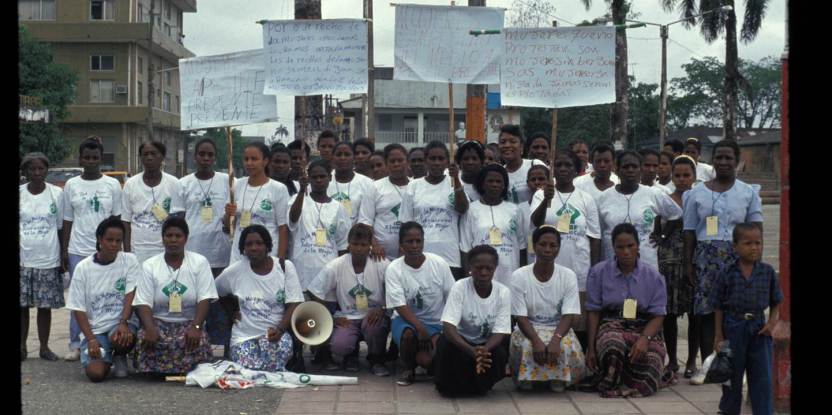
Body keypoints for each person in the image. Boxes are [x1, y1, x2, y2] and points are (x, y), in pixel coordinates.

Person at [682, 140, 763, 378]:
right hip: (705, 261)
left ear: (737, 162)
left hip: (737, 259)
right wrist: (688, 264)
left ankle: (734, 364)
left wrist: (754, 264)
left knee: (735, 313)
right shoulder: (695, 193)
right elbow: (688, 230)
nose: (724, 162)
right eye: (719, 157)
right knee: (707, 314)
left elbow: (756, 230)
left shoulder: (748, 193)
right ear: (712, 160)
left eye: (729, 158)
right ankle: (710, 366)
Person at [585, 223, 670, 398]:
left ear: (638, 245)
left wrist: (645, 339)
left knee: (652, 361)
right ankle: (611, 383)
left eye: (630, 246)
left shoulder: (653, 276)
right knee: (612, 345)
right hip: (612, 325)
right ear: (613, 248)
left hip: (644, 327)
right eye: (620, 247)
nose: (626, 252)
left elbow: (658, 315)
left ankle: (629, 384)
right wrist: (591, 348)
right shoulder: (599, 272)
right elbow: (593, 312)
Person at [60, 138, 124, 361]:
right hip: (78, 248)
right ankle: (76, 343)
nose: (90, 161)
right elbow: (67, 220)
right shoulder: (71, 185)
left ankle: (108, 338)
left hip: (107, 250)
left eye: (95, 157)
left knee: (107, 297)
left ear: (101, 158)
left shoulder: (112, 185)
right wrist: (64, 250)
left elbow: (117, 220)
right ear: (80, 159)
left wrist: (120, 249)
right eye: (86, 157)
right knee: (79, 299)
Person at [530, 149, 601, 348]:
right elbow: (536, 222)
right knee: (551, 317)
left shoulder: (586, 199)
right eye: (558, 165)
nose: (562, 169)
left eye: (568, 165)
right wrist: (546, 199)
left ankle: (579, 363)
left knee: (578, 320)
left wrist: (593, 270)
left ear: (576, 169)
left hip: (578, 268)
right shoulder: (540, 194)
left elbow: (595, 237)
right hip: (548, 269)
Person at [711, 224, 782, 415]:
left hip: (759, 329)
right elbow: (717, 306)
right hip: (732, 327)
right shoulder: (726, 272)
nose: (754, 247)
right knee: (731, 375)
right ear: (735, 246)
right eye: (748, 243)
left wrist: (771, 323)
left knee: (762, 377)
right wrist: (718, 336)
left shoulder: (767, 272)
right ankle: (729, 410)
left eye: (758, 243)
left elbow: (776, 301)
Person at [132, 217, 218, 375]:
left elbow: (205, 298)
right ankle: (173, 369)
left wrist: (196, 327)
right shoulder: (150, 265)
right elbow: (143, 302)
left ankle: (179, 368)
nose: (173, 240)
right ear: (162, 238)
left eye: (178, 236)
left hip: (189, 323)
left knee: (198, 341)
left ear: (186, 238)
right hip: (159, 323)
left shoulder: (200, 262)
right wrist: (150, 328)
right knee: (146, 338)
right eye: (169, 236)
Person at [215, 225, 304, 372]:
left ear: (267, 245)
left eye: (259, 243)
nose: (254, 248)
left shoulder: (284, 267)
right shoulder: (235, 270)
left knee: (274, 358)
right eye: (248, 244)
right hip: (243, 337)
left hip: (275, 335)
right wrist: (231, 311)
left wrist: (280, 329)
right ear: (243, 249)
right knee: (248, 366)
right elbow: (217, 290)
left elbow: (295, 302)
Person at [509, 226, 586, 391]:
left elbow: (569, 315)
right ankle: (527, 381)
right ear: (534, 246)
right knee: (528, 345)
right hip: (529, 327)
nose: (547, 249)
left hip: (559, 328)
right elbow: (520, 317)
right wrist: (536, 341)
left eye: (553, 246)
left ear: (558, 249)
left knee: (564, 345)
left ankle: (558, 380)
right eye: (542, 244)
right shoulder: (519, 276)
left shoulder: (568, 275)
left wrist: (556, 339)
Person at [308, 224, 390, 375]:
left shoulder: (381, 263)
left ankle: (377, 359)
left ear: (370, 246)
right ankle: (350, 354)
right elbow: (315, 290)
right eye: (355, 244)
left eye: (364, 245)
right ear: (348, 244)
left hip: (373, 315)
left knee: (374, 328)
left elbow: (394, 290)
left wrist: (382, 308)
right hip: (348, 318)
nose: (359, 248)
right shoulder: (337, 265)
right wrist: (330, 318)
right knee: (340, 345)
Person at [66, 218, 141, 381]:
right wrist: (91, 339)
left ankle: (120, 355)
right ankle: (107, 358)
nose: (114, 244)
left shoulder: (130, 260)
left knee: (121, 338)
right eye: (109, 240)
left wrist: (123, 322)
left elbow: (130, 294)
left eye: (118, 240)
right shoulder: (83, 268)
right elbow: (78, 308)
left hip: (120, 324)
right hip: (96, 329)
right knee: (96, 374)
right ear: (99, 239)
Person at [179, 138, 233, 354]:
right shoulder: (183, 184)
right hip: (193, 254)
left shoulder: (227, 181)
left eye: (210, 154)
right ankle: (196, 347)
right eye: (202, 154)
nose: (206, 158)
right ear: (195, 156)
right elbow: (180, 220)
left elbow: (232, 219)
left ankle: (219, 348)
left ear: (216, 157)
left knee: (219, 305)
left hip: (221, 255)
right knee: (195, 304)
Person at [434, 245, 511, 397]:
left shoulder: (503, 292)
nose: (483, 272)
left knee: (500, 352)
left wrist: (483, 351)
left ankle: (483, 383)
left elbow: (501, 331)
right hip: (462, 343)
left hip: (486, 345)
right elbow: (448, 326)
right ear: (470, 267)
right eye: (478, 268)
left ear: (495, 268)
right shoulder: (460, 287)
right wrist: (470, 350)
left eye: (488, 268)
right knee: (444, 344)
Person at [385, 222, 456, 386]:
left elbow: (452, 296)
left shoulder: (439, 263)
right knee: (409, 336)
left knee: (429, 361)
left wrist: (446, 326)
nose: (414, 246)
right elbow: (399, 305)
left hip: (436, 322)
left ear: (424, 241)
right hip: (406, 321)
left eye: (418, 241)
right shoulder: (394, 268)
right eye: (409, 242)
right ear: (401, 244)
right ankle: (408, 368)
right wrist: (420, 328)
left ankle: (426, 363)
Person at [597, 150, 683, 271]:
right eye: (626, 167)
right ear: (617, 170)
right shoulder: (603, 198)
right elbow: (597, 232)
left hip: (646, 262)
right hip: (612, 263)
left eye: (635, 166)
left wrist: (663, 236)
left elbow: (676, 214)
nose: (630, 170)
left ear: (640, 170)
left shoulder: (653, 194)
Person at [400, 140, 469, 280]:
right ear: (426, 160)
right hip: (420, 256)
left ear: (447, 161)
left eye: (441, 158)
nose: (436, 162)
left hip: (449, 256)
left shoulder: (454, 183)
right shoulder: (413, 186)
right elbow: (405, 225)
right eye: (432, 158)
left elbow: (463, 208)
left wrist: (455, 178)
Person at [20, 152, 65, 362]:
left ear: (47, 170)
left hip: (48, 258)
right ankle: (21, 347)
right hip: (23, 259)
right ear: (26, 171)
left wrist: (62, 254)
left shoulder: (57, 194)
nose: (37, 173)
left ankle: (44, 348)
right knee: (21, 307)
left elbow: (61, 228)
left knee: (44, 307)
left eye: (41, 169)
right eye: (32, 169)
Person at [654, 155, 696, 375]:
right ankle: (672, 360)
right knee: (668, 312)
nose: (681, 179)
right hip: (668, 262)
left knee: (694, 313)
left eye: (686, 175)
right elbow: (657, 222)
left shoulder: (699, 198)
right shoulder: (664, 199)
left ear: (694, 177)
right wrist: (658, 237)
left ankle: (691, 360)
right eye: (677, 175)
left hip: (692, 262)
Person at [289, 159, 351, 291]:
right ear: (309, 179)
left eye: (322, 176)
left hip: (328, 270)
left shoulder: (338, 208)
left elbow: (342, 245)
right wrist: (301, 191)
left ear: (329, 178)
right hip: (302, 271)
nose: (318, 180)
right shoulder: (298, 199)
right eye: (314, 177)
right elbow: (293, 219)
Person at [460, 164, 527, 286]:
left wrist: (522, 274)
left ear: (504, 185)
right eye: (490, 181)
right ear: (482, 184)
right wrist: (468, 275)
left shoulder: (514, 210)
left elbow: (522, 246)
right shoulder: (471, 210)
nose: (495, 185)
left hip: (510, 271)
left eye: (498, 181)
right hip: (481, 273)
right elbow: (465, 247)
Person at [223, 142, 290, 265]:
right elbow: (228, 226)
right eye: (246, 159)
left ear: (265, 161)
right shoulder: (237, 185)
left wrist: (280, 260)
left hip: (267, 255)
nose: (249, 163)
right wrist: (228, 214)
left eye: (254, 159)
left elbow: (283, 228)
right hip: (240, 255)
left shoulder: (278, 189)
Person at [122, 141, 185, 264]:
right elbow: (125, 221)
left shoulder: (174, 183)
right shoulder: (130, 184)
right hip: (138, 251)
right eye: (145, 154)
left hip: (165, 251)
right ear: (140, 158)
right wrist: (128, 253)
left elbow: (179, 218)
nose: (149, 157)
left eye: (153, 154)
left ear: (162, 157)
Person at [358, 144, 410, 261]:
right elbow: (365, 221)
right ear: (387, 164)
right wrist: (374, 245)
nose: (396, 164)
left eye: (400, 160)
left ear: (407, 161)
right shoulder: (374, 187)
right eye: (392, 161)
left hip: (410, 255)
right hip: (380, 257)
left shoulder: (416, 186)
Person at [327, 141, 376, 225]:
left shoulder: (367, 184)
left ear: (354, 158)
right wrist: (320, 238)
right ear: (332, 158)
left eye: (347, 154)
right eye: (338, 155)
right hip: (324, 235)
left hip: (355, 236)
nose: (343, 158)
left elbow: (367, 219)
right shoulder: (323, 180)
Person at [498, 125, 546, 204]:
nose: (507, 145)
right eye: (503, 142)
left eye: (512, 142)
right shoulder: (500, 173)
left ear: (521, 146)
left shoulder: (534, 165)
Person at [523, 164, 550, 264]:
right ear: (527, 183)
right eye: (533, 180)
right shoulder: (520, 208)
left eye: (541, 179)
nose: (537, 182)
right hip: (529, 254)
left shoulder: (553, 203)